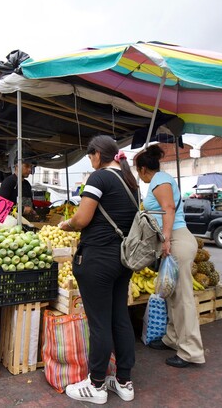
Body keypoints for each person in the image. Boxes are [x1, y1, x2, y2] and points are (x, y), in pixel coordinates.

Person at [58, 135, 138, 404]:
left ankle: (96, 385)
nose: (90, 161)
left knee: (100, 324)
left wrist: (65, 225)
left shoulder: (99, 178)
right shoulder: (130, 182)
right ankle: (124, 382)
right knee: (119, 318)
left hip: (98, 260)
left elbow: (82, 218)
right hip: (123, 260)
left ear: (96, 155)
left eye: (90, 157)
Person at [134, 145, 205, 368]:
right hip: (172, 239)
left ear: (143, 169)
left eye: (138, 171)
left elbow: (169, 208)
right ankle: (173, 338)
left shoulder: (160, 180)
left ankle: (191, 351)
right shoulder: (159, 180)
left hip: (177, 240)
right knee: (173, 295)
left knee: (183, 298)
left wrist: (165, 239)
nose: (139, 176)